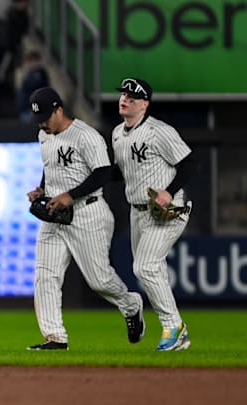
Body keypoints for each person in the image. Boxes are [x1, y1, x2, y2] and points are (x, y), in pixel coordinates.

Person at [26, 87, 144, 350]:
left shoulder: (86, 136)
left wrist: (70, 195)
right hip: (55, 215)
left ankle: (130, 304)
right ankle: (55, 337)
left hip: (88, 213)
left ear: (59, 109)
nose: (42, 122)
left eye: (46, 116)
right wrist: (42, 189)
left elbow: (103, 173)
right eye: (38, 118)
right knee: (46, 275)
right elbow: (51, 168)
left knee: (99, 280)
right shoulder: (43, 136)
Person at [111, 78, 196, 351]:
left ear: (145, 104)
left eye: (132, 97)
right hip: (137, 212)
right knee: (153, 268)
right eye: (124, 94)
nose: (125, 99)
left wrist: (169, 191)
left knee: (144, 267)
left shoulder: (159, 131)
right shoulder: (117, 133)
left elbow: (188, 163)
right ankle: (173, 328)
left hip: (166, 211)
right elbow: (118, 173)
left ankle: (175, 328)